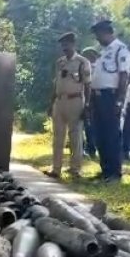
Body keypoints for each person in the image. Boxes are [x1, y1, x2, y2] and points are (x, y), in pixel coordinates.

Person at [90, 20, 130, 183]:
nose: (97, 38)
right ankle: (105, 170)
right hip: (98, 97)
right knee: (100, 135)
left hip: (111, 97)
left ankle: (115, 173)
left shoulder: (120, 50)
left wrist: (119, 100)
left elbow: (123, 75)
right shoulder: (103, 52)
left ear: (107, 32)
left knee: (111, 135)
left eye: (98, 34)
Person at [46, 32, 92, 178]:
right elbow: (56, 84)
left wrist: (87, 105)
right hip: (59, 101)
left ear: (74, 44)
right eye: (63, 44)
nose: (64, 47)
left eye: (67, 44)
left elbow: (88, 85)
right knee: (58, 137)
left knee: (75, 136)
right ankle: (56, 168)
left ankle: (75, 169)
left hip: (75, 100)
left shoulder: (82, 62)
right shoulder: (60, 62)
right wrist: (51, 102)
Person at [81, 47, 99, 159]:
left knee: (88, 125)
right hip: (87, 97)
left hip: (91, 98)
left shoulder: (93, 68)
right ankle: (88, 148)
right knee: (87, 125)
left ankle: (90, 148)